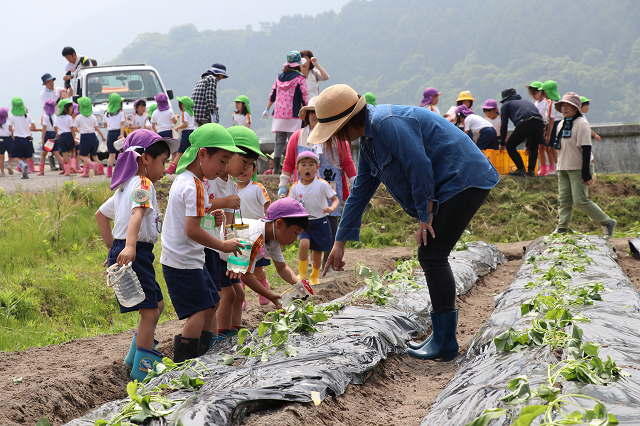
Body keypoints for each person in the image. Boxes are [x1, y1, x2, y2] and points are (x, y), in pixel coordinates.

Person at [312, 84, 499, 362]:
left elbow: (418, 165)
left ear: (347, 122)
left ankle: (446, 341)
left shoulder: (386, 123)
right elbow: (360, 190)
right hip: (448, 186)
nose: (338, 139)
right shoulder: (370, 141)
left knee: (433, 254)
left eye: (336, 132)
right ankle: (441, 336)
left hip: (463, 179)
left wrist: (425, 216)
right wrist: (339, 242)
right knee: (432, 254)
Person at [95, 129, 180, 381]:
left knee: (156, 305)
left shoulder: (124, 187)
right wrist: (128, 247)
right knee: (151, 312)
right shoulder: (142, 183)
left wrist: (114, 250)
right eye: (163, 162)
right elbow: (136, 215)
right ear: (145, 159)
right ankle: (142, 371)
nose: (165, 168)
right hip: (137, 252)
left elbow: (100, 216)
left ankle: (135, 356)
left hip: (133, 251)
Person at [159, 123, 245, 363]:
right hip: (183, 261)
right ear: (203, 154)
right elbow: (192, 230)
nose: (224, 168)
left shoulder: (190, 181)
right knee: (199, 310)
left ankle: (206, 356)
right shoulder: (194, 186)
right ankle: (184, 363)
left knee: (213, 302)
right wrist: (223, 245)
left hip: (188, 258)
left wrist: (211, 216)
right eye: (222, 160)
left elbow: (193, 219)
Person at [279, 96, 357, 268]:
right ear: (306, 115)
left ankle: (330, 262)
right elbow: (289, 163)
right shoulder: (297, 137)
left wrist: (355, 182)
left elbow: (347, 162)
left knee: (330, 230)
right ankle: (309, 261)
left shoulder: (338, 137)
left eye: (320, 112)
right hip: (304, 193)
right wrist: (283, 185)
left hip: (330, 191)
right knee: (305, 227)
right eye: (313, 112)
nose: (316, 115)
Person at [553, 92, 616, 238]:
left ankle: (607, 222)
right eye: (563, 105)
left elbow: (586, 148)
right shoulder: (561, 124)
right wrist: (559, 166)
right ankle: (562, 228)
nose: (564, 108)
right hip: (563, 166)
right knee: (564, 200)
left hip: (578, 167)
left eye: (568, 105)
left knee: (580, 200)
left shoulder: (581, 124)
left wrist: (586, 172)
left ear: (576, 107)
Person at [288, 151, 339, 285]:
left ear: (317, 167)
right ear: (297, 168)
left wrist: (331, 208)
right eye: (303, 165)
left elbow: (335, 200)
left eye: (311, 164)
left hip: (321, 222)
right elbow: (289, 204)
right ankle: (302, 274)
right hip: (303, 222)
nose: (307, 168)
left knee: (317, 254)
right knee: (304, 244)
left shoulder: (322, 184)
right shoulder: (295, 187)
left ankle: (314, 275)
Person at [262, 51, 309, 174]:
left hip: (279, 115)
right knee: (292, 141)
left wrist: (267, 108)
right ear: (298, 64)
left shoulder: (279, 77)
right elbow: (304, 96)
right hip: (294, 115)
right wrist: (308, 110)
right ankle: (291, 168)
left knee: (279, 141)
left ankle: (277, 168)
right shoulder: (300, 79)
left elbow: (273, 94)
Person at [236, 153, 272, 305]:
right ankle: (241, 297)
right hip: (237, 231)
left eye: (248, 166)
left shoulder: (258, 188)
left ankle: (263, 285)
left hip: (256, 233)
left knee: (256, 268)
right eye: (240, 166)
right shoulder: (230, 187)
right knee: (238, 267)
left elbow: (268, 208)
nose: (243, 170)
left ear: (255, 169)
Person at [498, 88, 545, 177]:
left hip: (524, 123)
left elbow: (504, 125)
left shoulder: (506, 104)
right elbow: (534, 120)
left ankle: (521, 169)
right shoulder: (526, 101)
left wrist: (502, 142)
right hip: (539, 123)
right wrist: (528, 144)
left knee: (510, 146)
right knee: (533, 147)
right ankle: (531, 171)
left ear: (504, 99)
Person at [74, 97, 105, 178]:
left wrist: (79, 130)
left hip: (85, 137)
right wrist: (102, 136)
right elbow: (96, 128)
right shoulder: (93, 117)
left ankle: (92, 165)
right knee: (94, 155)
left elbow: (74, 128)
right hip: (93, 136)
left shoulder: (79, 117)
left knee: (83, 156)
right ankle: (95, 171)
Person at [7, 97, 37, 179]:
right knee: (25, 157)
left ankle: (22, 165)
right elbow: (33, 126)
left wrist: (16, 129)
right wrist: (27, 129)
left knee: (15, 156)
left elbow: (10, 129)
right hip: (28, 139)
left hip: (18, 139)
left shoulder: (12, 117)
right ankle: (25, 174)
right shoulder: (27, 116)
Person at [166, 96, 195, 174]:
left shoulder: (184, 113)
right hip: (192, 132)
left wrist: (177, 127)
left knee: (180, 151)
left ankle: (171, 168)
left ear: (182, 105)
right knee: (189, 151)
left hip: (186, 134)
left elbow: (185, 124)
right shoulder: (191, 113)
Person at [526, 81, 549, 175]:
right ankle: (543, 168)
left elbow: (548, 116)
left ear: (541, 91)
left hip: (545, 126)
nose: (534, 96)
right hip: (538, 127)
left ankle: (551, 167)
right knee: (540, 148)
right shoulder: (535, 103)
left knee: (548, 148)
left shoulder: (547, 102)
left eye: (535, 93)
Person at [38, 100, 64, 176]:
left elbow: (44, 128)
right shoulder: (55, 116)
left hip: (48, 135)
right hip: (55, 134)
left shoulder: (44, 116)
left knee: (43, 153)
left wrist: (42, 138)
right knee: (57, 153)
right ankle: (66, 168)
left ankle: (41, 171)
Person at [541, 80, 562, 175]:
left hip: (554, 125)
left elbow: (551, 119)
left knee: (552, 147)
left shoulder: (552, 104)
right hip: (559, 124)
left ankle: (558, 167)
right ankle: (554, 168)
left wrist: (548, 135)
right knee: (550, 148)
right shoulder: (558, 102)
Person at [104, 93, 126, 177]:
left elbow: (105, 124)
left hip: (110, 134)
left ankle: (109, 172)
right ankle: (123, 171)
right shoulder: (121, 113)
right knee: (123, 153)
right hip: (118, 133)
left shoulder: (106, 114)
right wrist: (121, 134)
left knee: (111, 154)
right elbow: (122, 124)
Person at [55, 99, 76, 176]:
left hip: (61, 136)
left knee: (64, 154)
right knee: (73, 151)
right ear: (66, 109)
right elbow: (72, 128)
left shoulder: (57, 118)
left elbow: (55, 127)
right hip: (69, 135)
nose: (72, 110)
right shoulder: (69, 117)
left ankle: (67, 171)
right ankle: (73, 166)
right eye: (71, 108)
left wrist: (57, 133)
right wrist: (74, 138)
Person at [0, 108, 12, 176]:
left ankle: (2, 172)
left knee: (1, 157)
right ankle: (9, 165)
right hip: (8, 139)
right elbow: (11, 131)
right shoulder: (8, 123)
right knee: (11, 155)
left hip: (0, 140)